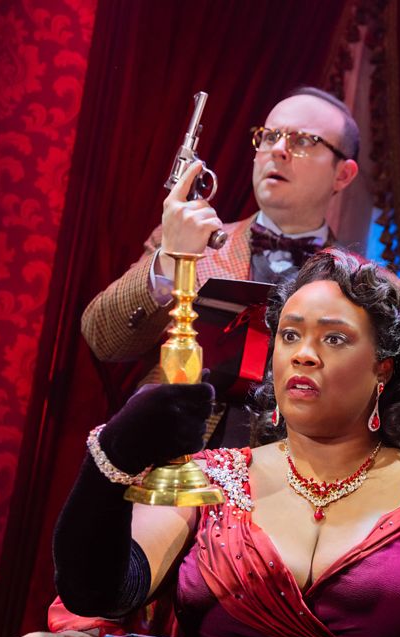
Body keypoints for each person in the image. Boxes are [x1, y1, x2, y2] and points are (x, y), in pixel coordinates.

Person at [53, 249, 400, 637]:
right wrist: (111, 456)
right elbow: (97, 592)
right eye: (290, 335)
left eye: (334, 338)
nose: (304, 354)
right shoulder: (210, 477)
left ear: (384, 368)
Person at [81, 87, 361, 445]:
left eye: (304, 140)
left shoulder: (359, 281)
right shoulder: (190, 242)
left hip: (302, 470)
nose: (278, 149)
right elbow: (104, 339)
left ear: (343, 175)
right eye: (270, 136)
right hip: (179, 457)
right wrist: (170, 257)